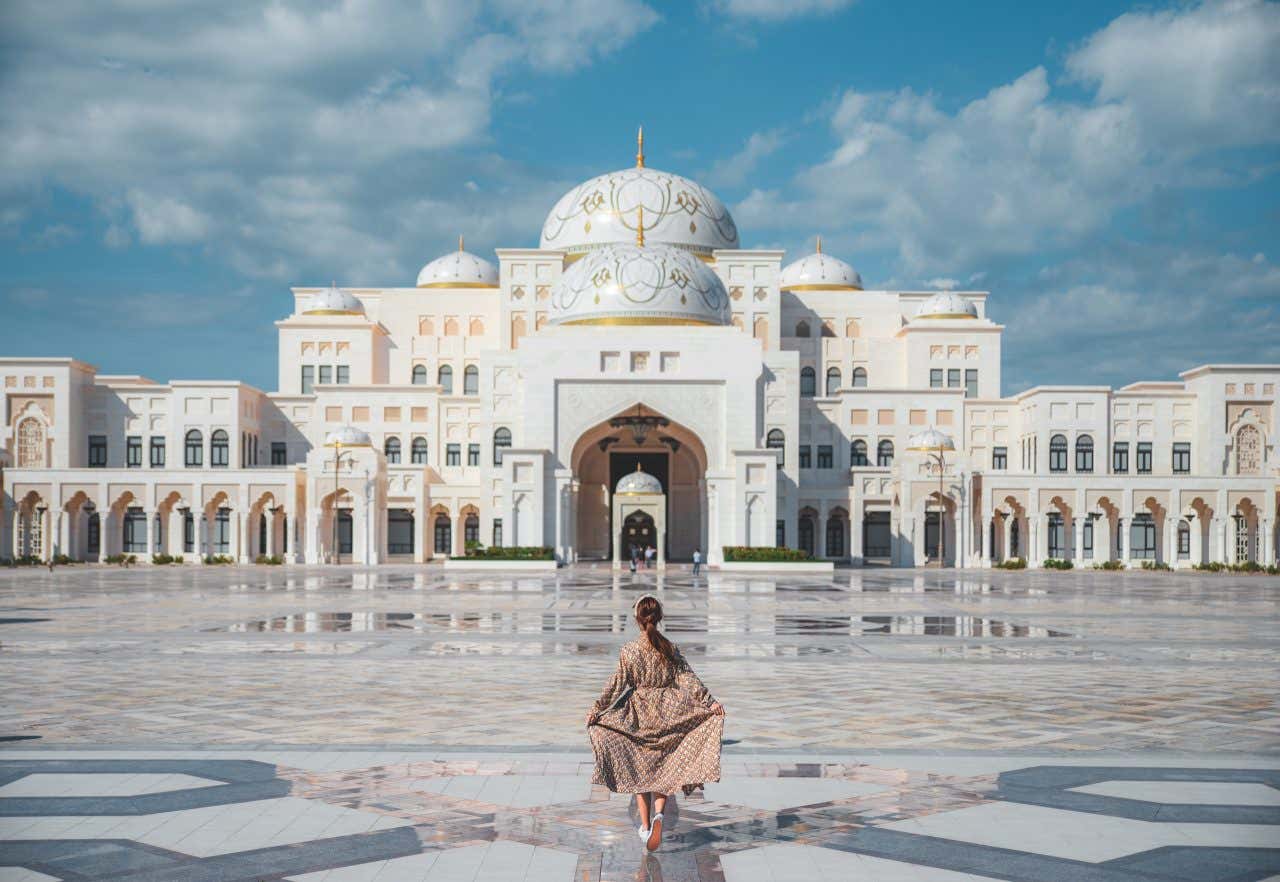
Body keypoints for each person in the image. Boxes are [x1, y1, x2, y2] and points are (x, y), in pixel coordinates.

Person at [586, 595, 726, 853]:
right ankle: (660, 814)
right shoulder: (669, 648)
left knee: (640, 771)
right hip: (669, 710)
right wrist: (710, 702)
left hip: (638, 714)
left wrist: (597, 709)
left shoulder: (629, 650)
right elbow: (688, 679)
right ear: (658, 618)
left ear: (637, 620)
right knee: (664, 767)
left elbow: (616, 683)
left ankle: (645, 825)